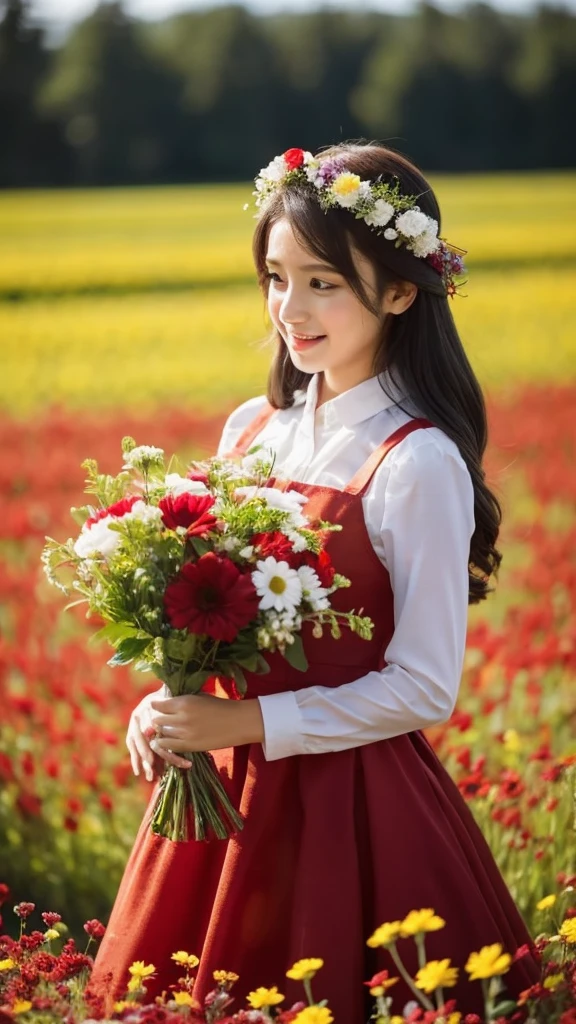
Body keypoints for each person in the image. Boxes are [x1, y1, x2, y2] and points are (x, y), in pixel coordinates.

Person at [90, 142, 540, 1021]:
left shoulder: (419, 461)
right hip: (221, 783)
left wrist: (247, 719)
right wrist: (165, 699)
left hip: (349, 806)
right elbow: (206, 603)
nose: (290, 309)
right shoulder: (252, 428)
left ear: (403, 291)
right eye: (275, 277)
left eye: (324, 282)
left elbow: (423, 684)